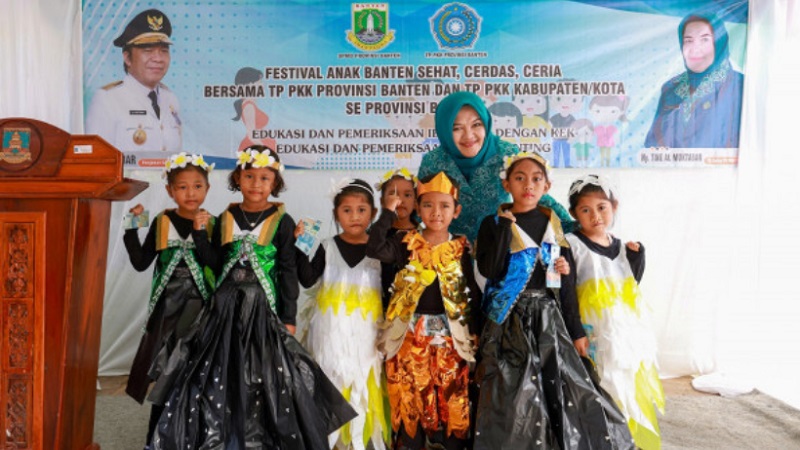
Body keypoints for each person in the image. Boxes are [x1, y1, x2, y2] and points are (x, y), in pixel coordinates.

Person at [150, 145, 356, 449]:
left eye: (264, 178)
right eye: (249, 176)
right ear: (238, 178)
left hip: (261, 308)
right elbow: (214, 262)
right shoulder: (225, 217)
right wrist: (199, 234)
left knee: (265, 373)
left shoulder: (283, 222)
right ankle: (218, 434)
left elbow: (287, 271)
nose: (256, 184)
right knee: (218, 370)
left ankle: (261, 435)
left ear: (275, 183)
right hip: (223, 307)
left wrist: (288, 316)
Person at [473, 152, 633, 450]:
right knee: (512, 389)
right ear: (507, 183)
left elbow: (566, 285)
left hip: (548, 317)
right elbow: (490, 271)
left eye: (536, 179)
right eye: (519, 178)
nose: (528, 185)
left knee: (563, 385)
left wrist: (576, 330)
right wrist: (505, 228)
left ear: (546, 186)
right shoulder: (492, 223)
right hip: (508, 320)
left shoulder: (554, 225)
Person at [367, 171, 482, 450]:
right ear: (418, 208)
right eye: (428, 205)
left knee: (454, 405)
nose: (436, 213)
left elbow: (473, 293)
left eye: (444, 206)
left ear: (456, 211)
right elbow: (374, 247)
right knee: (409, 404)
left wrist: (477, 334)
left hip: (450, 341)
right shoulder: (405, 242)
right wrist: (387, 213)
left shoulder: (460, 247)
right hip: (406, 338)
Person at [564, 174, 664, 450]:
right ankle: (603, 437)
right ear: (574, 214)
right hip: (595, 329)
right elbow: (567, 293)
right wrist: (575, 331)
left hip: (626, 329)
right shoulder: (572, 245)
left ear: (614, 207)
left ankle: (628, 435)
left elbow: (632, 284)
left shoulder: (621, 245)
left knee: (627, 377)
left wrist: (637, 257)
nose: (595, 215)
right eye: (585, 210)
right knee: (602, 381)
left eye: (601, 208)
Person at [122, 152, 214, 450]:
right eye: (183, 187)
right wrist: (131, 228)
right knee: (166, 375)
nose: (191, 193)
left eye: (197, 186)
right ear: (170, 190)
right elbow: (140, 262)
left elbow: (217, 263)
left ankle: (199, 438)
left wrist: (203, 234)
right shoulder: (162, 221)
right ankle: (158, 439)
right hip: (167, 313)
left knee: (198, 375)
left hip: (201, 312)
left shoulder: (214, 223)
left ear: (207, 189)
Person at [294, 178, 390, 450]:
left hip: (367, 334)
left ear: (373, 212)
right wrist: (300, 245)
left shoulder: (381, 249)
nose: (354, 216)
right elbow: (307, 278)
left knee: (362, 385)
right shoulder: (327, 246)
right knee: (330, 379)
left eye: (361, 209)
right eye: (346, 210)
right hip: (329, 333)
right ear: (336, 214)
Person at [418, 91, 574, 243]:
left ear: (486, 123)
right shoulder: (433, 162)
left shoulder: (506, 154)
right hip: (450, 252)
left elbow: (536, 195)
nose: (469, 136)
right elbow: (419, 208)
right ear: (444, 130)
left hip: (498, 246)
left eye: (476, 124)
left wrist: (575, 230)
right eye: (456, 128)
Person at [86, 9, 182, 153]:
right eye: (148, 50)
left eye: (164, 50)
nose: (158, 58)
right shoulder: (107, 99)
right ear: (127, 58)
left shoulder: (170, 98)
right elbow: (98, 162)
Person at [644, 12, 744, 148]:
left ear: (718, 43)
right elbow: (652, 145)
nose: (695, 48)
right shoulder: (671, 89)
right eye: (688, 40)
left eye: (704, 39)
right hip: (670, 169)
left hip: (720, 168)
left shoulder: (740, 86)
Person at [375, 168, 419, 307]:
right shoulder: (376, 234)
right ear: (383, 201)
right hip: (383, 307)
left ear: (416, 202)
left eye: (407, 195)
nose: (400, 200)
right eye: (393, 194)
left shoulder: (425, 235)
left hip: (417, 310)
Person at [233, 66, 277, 152]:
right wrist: (264, 149)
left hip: (259, 143)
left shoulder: (250, 103)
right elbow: (251, 134)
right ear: (249, 84)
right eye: (259, 82)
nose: (263, 85)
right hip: (254, 146)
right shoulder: (249, 106)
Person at [589, 95, 629, 167]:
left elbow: (616, 136)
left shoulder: (613, 128)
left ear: (621, 112)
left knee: (608, 153)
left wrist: (616, 141)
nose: (605, 115)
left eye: (613, 111)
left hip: (610, 144)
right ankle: (602, 163)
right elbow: (592, 135)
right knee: (602, 153)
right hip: (600, 143)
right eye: (598, 111)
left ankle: (607, 163)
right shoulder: (598, 128)